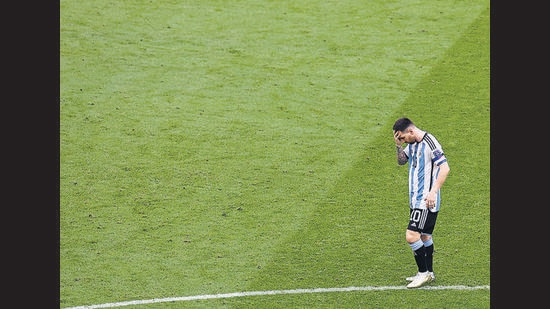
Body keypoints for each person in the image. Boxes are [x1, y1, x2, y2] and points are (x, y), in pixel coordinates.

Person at [392, 117, 450, 288]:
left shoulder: (430, 143)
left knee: (411, 236)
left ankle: (423, 273)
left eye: (402, 137)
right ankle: (429, 273)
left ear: (410, 131)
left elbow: (445, 168)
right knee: (424, 235)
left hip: (425, 199)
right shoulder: (411, 143)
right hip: (415, 199)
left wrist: (432, 192)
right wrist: (398, 145)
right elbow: (402, 161)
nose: (402, 140)